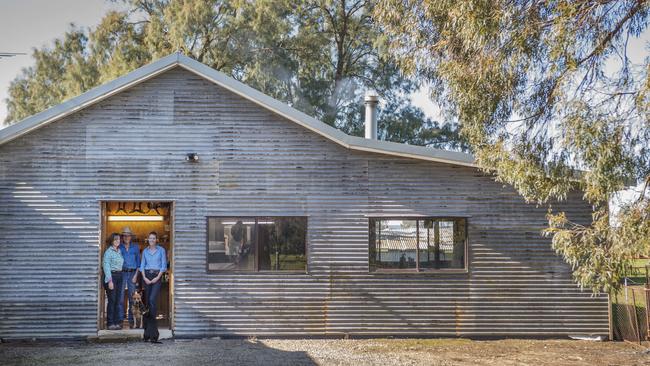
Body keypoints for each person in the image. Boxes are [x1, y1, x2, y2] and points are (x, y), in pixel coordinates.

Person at [140, 231, 167, 324]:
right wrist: (144, 277)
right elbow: (142, 265)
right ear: (148, 239)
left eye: (153, 238)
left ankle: (152, 321)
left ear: (156, 240)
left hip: (157, 276)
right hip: (146, 275)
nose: (151, 240)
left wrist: (158, 277)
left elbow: (163, 266)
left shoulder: (161, 250)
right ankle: (147, 321)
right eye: (150, 238)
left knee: (152, 299)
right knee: (147, 299)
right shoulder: (145, 251)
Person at [118, 226, 141, 329]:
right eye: (125, 236)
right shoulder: (119, 247)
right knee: (121, 298)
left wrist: (136, 275)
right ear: (122, 237)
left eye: (128, 236)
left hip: (132, 274)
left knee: (132, 299)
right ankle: (120, 321)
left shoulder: (135, 247)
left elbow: (138, 263)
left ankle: (132, 321)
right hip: (122, 273)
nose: (126, 237)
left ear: (131, 237)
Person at [103, 233, 124, 330]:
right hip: (112, 276)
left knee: (117, 301)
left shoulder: (119, 251)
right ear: (112, 240)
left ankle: (116, 322)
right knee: (112, 300)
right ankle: (110, 323)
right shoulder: (108, 252)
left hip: (120, 276)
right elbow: (106, 266)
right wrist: (110, 281)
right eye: (116, 239)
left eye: (119, 239)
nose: (118, 241)